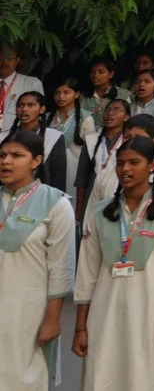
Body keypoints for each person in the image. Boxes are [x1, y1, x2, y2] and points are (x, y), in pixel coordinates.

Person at [71, 135, 154, 391]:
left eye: (134, 162)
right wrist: (80, 327)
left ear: (152, 166)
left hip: (150, 312)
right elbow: (87, 273)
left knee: (142, 377)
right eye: (121, 163)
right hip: (105, 311)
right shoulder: (101, 212)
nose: (125, 169)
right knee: (101, 375)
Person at [0, 129, 76, 391]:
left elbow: (61, 267)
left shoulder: (56, 204)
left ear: (36, 161)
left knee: (24, 375)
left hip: (29, 309)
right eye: (2, 155)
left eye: (16, 155)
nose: (6, 161)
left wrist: (52, 319)